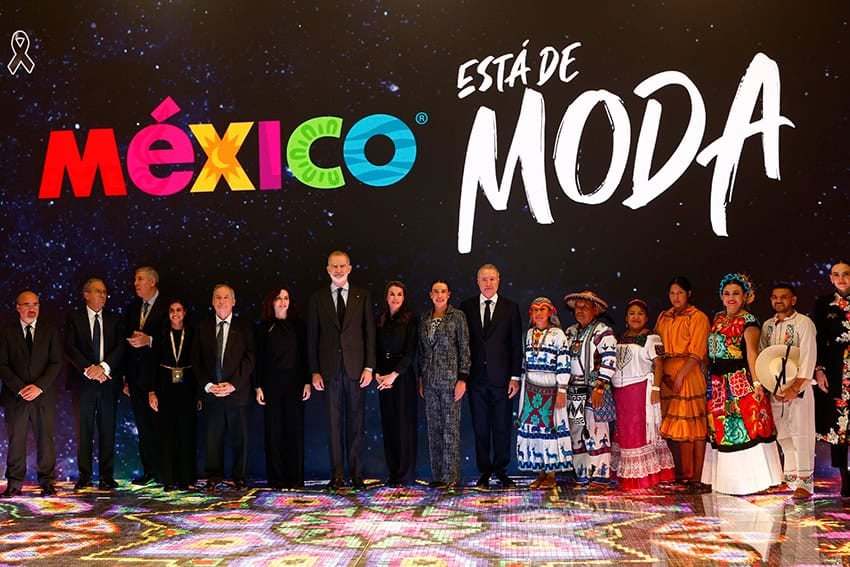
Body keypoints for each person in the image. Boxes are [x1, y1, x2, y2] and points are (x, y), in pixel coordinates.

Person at [702, 273, 782, 495]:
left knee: (745, 426)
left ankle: (752, 482)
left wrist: (757, 384)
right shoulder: (718, 318)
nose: (731, 298)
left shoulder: (748, 322)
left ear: (745, 296)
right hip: (718, 382)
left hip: (739, 381)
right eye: (727, 293)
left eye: (736, 293)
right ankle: (727, 482)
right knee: (720, 428)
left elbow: (752, 354)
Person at [308, 250, 375, 490]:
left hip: (356, 370)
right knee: (333, 424)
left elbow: (369, 333)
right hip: (329, 371)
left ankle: (356, 474)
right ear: (327, 269)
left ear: (349, 268)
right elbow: (312, 337)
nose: (338, 270)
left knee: (357, 423)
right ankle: (337, 474)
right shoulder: (317, 298)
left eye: (342, 266)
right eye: (334, 266)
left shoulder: (362, 295)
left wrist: (369, 367)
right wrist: (314, 371)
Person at [461, 264, 523, 489]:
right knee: (480, 428)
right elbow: (463, 344)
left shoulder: (510, 308)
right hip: (476, 379)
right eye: (483, 279)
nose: (488, 283)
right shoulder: (466, 307)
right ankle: (484, 472)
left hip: (503, 380)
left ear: (499, 280)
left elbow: (516, 345)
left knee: (501, 427)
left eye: (492, 279)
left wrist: (515, 376)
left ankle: (502, 470)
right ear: (477, 281)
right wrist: (463, 376)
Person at [192, 284, 255, 492]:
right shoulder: (202, 327)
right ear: (212, 302)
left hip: (237, 394)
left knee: (240, 439)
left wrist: (234, 384)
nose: (222, 301)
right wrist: (209, 386)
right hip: (212, 395)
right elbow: (196, 360)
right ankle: (213, 475)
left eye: (226, 297)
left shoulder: (244, 327)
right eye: (218, 297)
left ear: (233, 301)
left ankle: (240, 477)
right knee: (213, 439)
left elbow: (250, 358)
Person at [0, 291, 62, 497]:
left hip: (43, 397)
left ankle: (47, 482)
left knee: (45, 439)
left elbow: (56, 363)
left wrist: (39, 387)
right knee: (16, 440)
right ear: (18, 307)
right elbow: (3, 365)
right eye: (26, 304)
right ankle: (14, 483)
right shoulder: (6, 333)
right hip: (15, 398)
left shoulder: (50, 331)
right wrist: (20, 388)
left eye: (35, 304)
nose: (31, 308)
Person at [65, 279, 125, 491]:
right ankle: (85, 476)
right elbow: (70, 347)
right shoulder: (74, 318)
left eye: (105, 292)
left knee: (108, 430)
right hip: (83, 384)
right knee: (84, 431)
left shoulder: (115, 319)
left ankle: (107, 477)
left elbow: (120, 348)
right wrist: (90, 369)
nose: (103, 295)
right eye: (98, 291)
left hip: (108, 382)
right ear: (86, 294)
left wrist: (103, 368)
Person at [758, 284, 817, 499]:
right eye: (774, 297)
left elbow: (809, 357)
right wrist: (768, 386)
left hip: (798, 387)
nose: (778, 301)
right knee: (783, 435)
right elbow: (763, 357)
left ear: (793, 300)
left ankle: (805, 483)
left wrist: (795, 388)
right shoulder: (768, 326)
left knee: (802, 434)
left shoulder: (804, 323)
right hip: (775, 389)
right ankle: (791, 480)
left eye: (783, 297)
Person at [654, 276, 710, 491]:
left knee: (694, 425)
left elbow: (697, 351)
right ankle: (685, 472)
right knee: (680, 427)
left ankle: (698, 475)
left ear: (689, 294)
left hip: (688, 373)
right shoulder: (664, 316)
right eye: (672, 293)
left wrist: (681, 375)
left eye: (680, 292)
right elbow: (657, 343)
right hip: (667, 372)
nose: (676, 297)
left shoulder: (697, 317)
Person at [612, 299, 675, 490]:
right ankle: (625, 474)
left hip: (639, 390)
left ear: (646, 318)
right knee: (624, 431)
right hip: (621, 393)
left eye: (640, 313)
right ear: (626, 317)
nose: (636, 317)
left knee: (638, 431)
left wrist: (656, 389)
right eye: (632, 313)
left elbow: (659, 364)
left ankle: (640, 477)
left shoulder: (651, 338)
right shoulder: (620, 338)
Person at [513, 297, 572, 489]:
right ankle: (540, 474)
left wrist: (562, 389)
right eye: (535, 310)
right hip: (531, 389)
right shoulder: (528, 334)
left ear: (550, 313)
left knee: (551, 429)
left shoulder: (558, 335)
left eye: (543, 309)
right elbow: (524, 362)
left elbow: (564, 363)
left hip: (552, 389)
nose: (538, 313)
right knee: (535, 432)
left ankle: (551, 475)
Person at [255, 288, 311, 490]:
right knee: (274, 432)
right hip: (271, 385)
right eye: (278, 298)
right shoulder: (263, 328)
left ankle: (295, 479)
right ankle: (277, 480)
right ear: (271, 302)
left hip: (295, 384)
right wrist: (258, 386)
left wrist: (307, 382)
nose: (282, 301)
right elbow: (258, 359)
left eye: (286, 298)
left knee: (294, 431)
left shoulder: (299, 326)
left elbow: (306, 355)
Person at [418, 280, 470, 489]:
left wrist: (463, 378)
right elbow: (422, 352)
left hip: (451, 381)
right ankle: (438, 475)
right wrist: (421, 378)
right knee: (434, 429)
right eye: (435, 292)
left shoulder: (457, 317)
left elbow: (464, 348)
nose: (439, 295)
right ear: (430, 294)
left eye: (443, 291)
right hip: (430, 381)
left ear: (449, 294)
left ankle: (451, 477)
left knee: (450, 429)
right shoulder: (424, 318)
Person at [562, 291, 617, 486]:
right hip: (575, 388)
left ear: (595, 310)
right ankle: (581, 473)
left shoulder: (603, 331)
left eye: (585, 307)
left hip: (595, 388)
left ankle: (600, 476)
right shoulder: (570, 332)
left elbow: (610, 359)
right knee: (577, 431)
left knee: (596, 430)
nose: (580, 311)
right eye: (577, 307)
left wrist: (600, 387)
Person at [123, 266, 167, 485]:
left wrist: (149, 340)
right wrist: (126, 379)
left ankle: (165, 471)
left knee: (161, 426)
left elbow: (174, 340)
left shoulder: (168, 306)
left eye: (140, 279)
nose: (135, 283)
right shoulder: (132, 308)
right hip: (136, 379)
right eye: (134, 279)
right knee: (143, 427)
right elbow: (125, 346)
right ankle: (149, 471)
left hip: (160, 379)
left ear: (152, 281)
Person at [149, 300, 197, 491]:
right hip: (164, 388)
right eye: (171, 310)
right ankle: (168, 479)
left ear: (184, 312)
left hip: (187, 388)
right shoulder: (160, 335)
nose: (175, 314)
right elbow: (151, 365)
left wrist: (199, 394)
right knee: (166, 434)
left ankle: (186, 479)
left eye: (179, 310)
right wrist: (152, 391)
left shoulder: (193, 334)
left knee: (186, 434)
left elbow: (199, 362)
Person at [374, 281, 418, 487]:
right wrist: (377, 374)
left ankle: (404, 474)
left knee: (403, 424)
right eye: (391, 294)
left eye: (399, 294)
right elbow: (374, 349)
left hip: (402, 375)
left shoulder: (410, 320)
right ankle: (393, 473)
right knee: (389, 424)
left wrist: (394, 374)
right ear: (386, 297)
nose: (395, 298)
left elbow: (410, 352)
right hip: (383, 377)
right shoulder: (380, 320)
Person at [814, 260, 850, 496]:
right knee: (840, 425)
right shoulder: (823, 304)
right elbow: (818, 339)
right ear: (830, 278)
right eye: (836, 274)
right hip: (837, 371)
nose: (841, 278)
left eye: (846, 274)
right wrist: (819, 370)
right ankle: (845, 479)